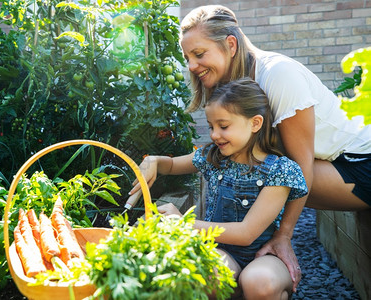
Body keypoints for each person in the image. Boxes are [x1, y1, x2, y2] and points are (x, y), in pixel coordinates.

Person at [173, 4, 371, 293]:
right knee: (242, 166)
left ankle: (254, 257)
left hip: (357, 164)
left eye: (199, 54)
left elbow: (298, 168)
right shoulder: (236, 84)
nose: (191, 66)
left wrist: (284, 236)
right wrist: (162, 162)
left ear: (230, 44)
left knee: (262, 174)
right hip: (325, 165)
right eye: (188, 57)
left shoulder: (278, 75)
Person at [130, 78, 308, 299]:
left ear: (255, 123)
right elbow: (172, 165)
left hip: (264, 255)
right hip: (221, 252)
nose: (214, 134)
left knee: (259, 282)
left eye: (223, 126)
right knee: (205, 273)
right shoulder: (212, 157)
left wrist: (184, 224)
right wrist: (154, 161)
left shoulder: (279, 170)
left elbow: (247, 233)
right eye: (211, 126)